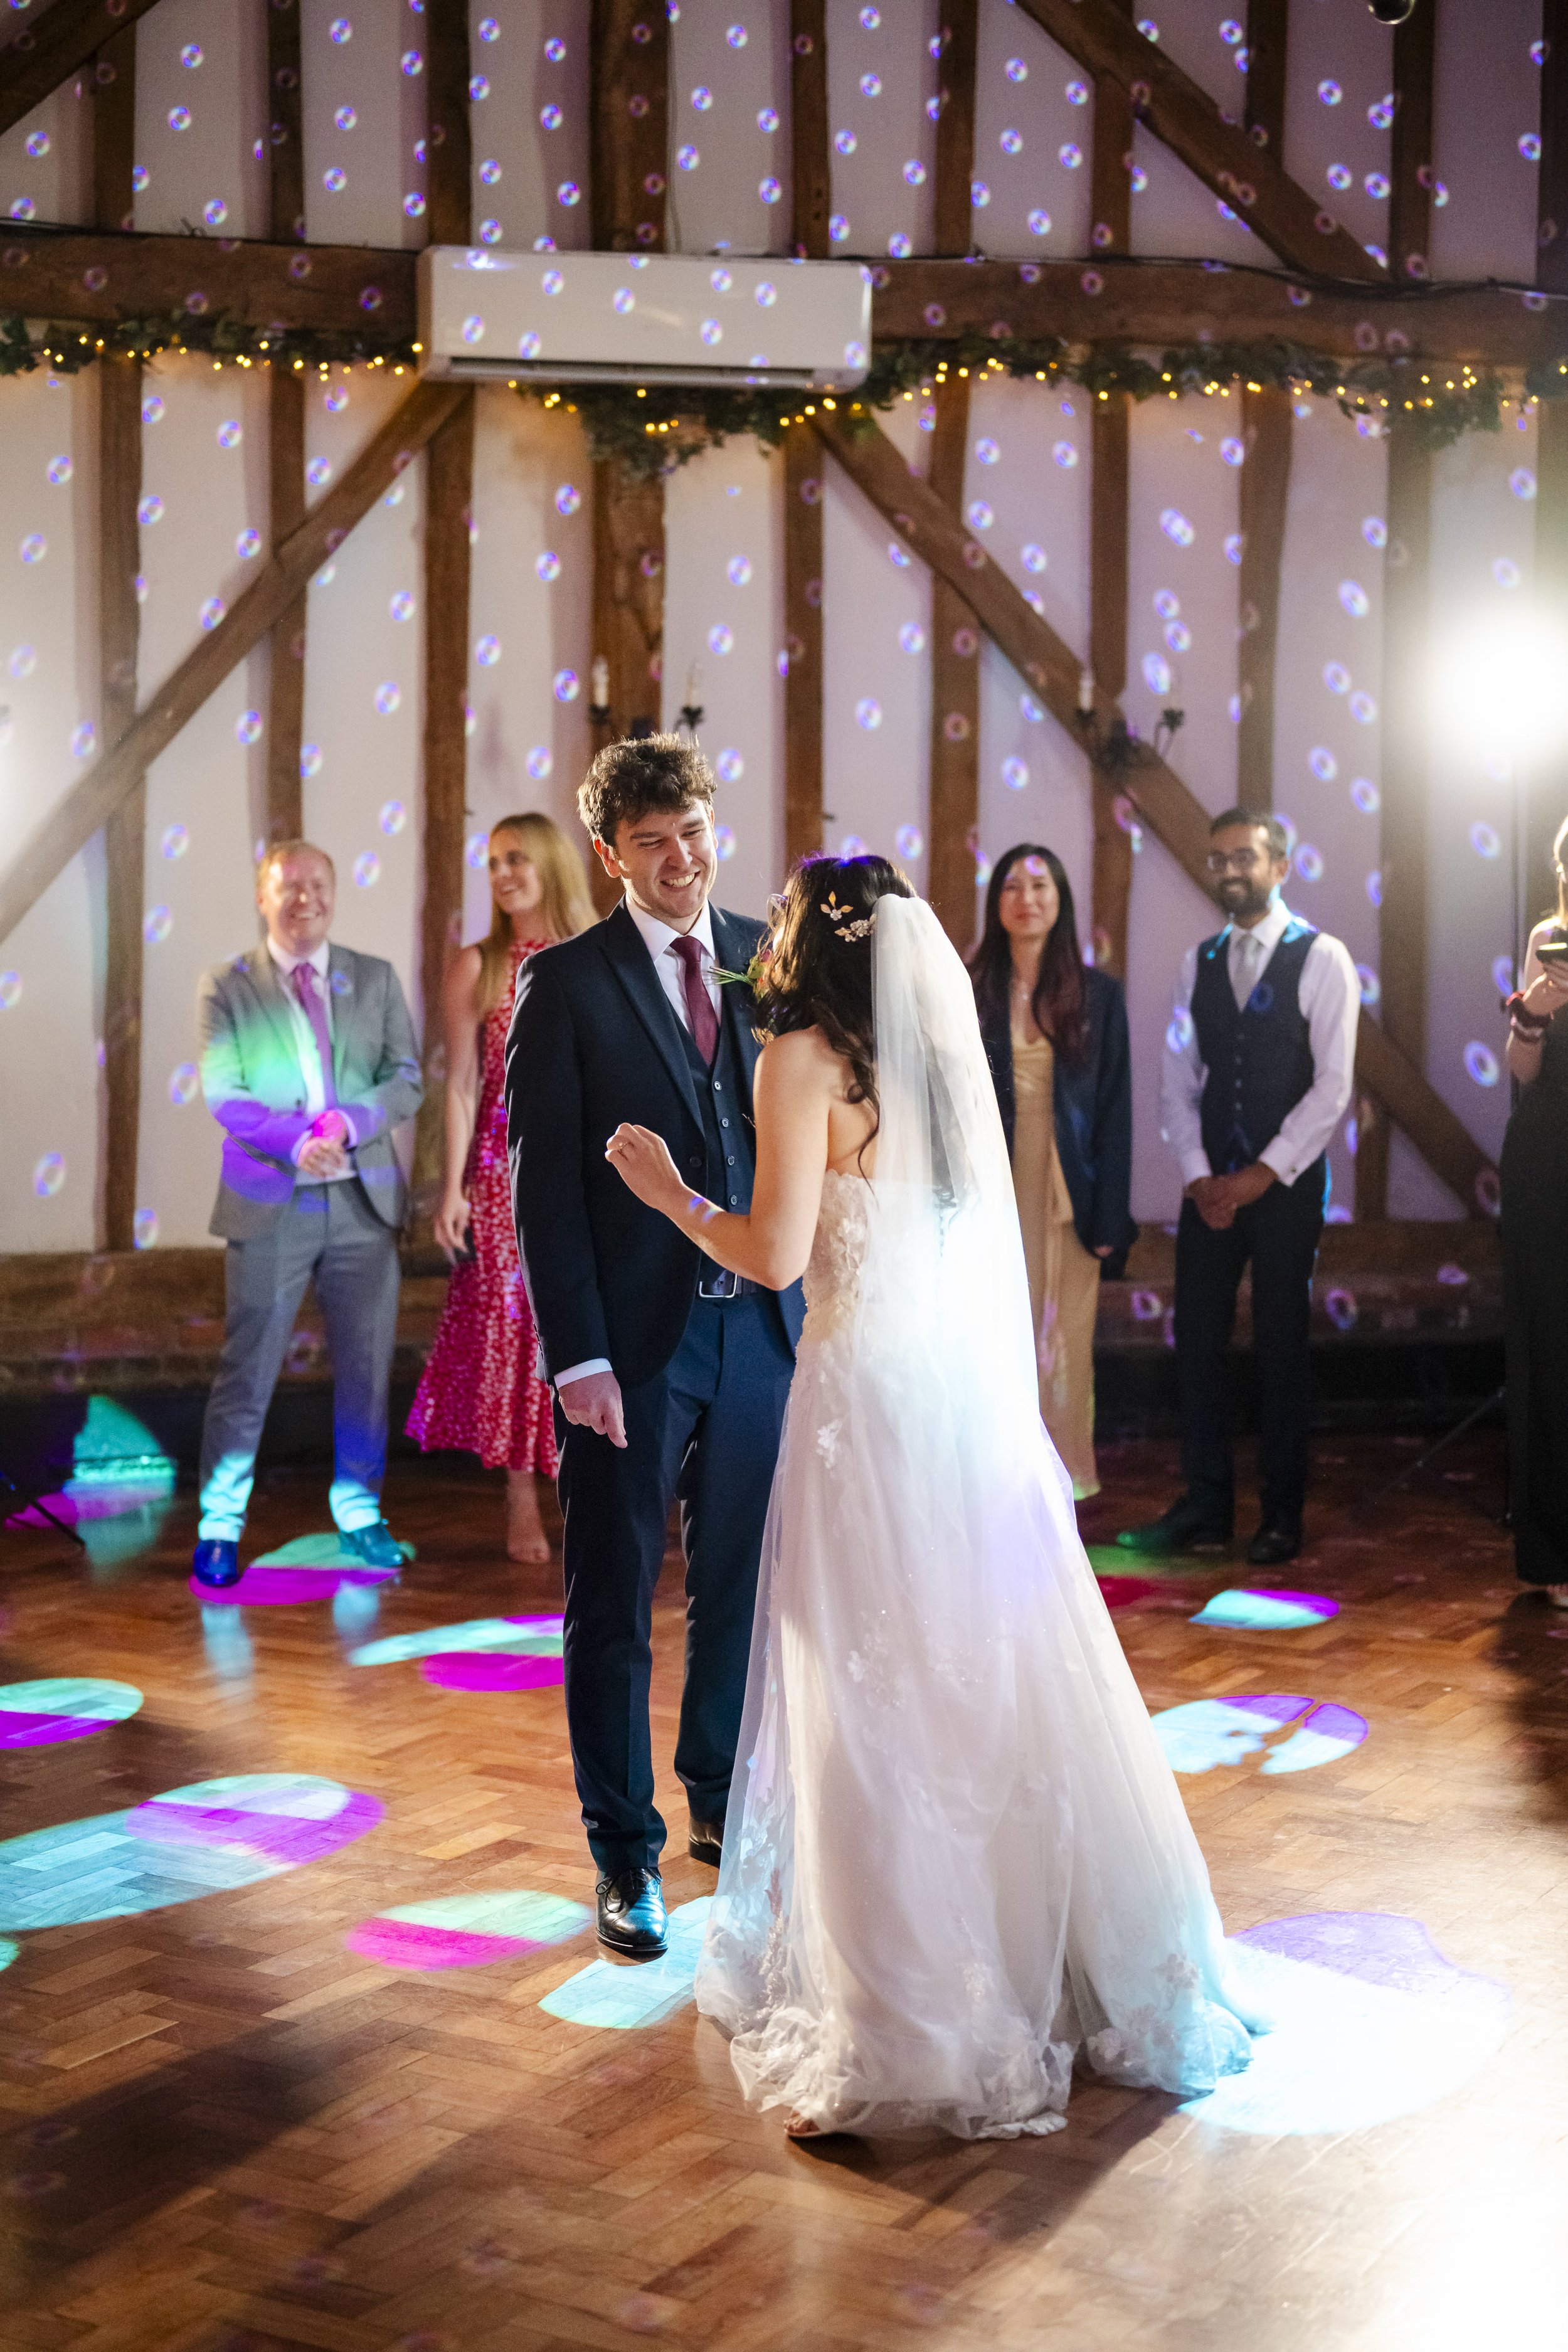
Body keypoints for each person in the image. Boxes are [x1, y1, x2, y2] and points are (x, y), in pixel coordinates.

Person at [605, 856, 1266, 2142]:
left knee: (860, 1695)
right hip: (959, 1407)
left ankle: (902, 2014)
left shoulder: (794, 1060)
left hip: (855, 1400)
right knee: (993, 1670)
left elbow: (773, 1255)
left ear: (810, 939)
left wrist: (667, 1193)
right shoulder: (931, 1066)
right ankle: (1065, 1965)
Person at [505, 735, 803, 1962]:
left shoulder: (762, 958)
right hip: (629, 1348)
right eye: (650, 843)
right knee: (614, 1605)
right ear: (608, 854)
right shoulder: (564, 984)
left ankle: (723, 1810)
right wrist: (573, 1356)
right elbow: (544, 1193)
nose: (679, 860)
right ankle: (621, 1857)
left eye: (692, 832)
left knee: (737, 1594)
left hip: (759, 1341)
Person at [1117, 808, 1359, 1569]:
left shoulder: (1323, 958)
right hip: (1210, 1187)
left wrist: (1260, 1174)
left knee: (1281, 1343)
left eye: (1245, 857)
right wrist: (1199, 1176)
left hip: (1284, 1189)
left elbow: (1333, 1087)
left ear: (1280, 866)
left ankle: (1281, 1512)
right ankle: (1206, 1504)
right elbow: (1177, 1081)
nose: (1229, 870)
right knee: (1197, 1345)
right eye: (1218, 859)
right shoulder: (1200, 962)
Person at [191, 840, 423, 1589]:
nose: (305, 899)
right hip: (270, 1202)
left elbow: (407, 1079)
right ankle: (220, 1526)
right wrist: (297, 1141)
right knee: (248, 1367)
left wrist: (348, 1126)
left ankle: (359, 1513)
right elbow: (224, 1092)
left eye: (318, 885)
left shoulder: (377, 977)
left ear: (334, 892)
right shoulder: (225, 984)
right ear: (264, 897)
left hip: (364, 1202)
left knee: (365, 1368)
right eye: (289, 887)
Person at [407, 813, 595, 1562]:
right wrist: (450, 1188)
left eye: (516, 858)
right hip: (499, 1170)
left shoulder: (596, 954)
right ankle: (521, 1495)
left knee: (584, 1326)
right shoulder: (479, 964)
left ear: (551, 862)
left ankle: (584, 1486)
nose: (503, 873)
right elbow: (459, 1084)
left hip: (586, 1168)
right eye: (491, 862)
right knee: (513, 1330)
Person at [969, 844, 1136, 1498]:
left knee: (1064, 1339)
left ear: (1060, 899)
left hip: (1072, 1187)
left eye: (1040, 885)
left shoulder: (1098, 994)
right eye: (1012, 886)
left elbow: (1114, 1108)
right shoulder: (971, 986)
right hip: (991, 1182)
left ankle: (1062, 1480)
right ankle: (994, 1482)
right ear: (996, 903)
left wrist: (1112, 1220)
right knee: (993, 1333)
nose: (1026, 898)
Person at [1502, 815, 1568, 1607]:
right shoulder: (1549, 936)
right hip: (1549, 1149)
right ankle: (1554, 1550)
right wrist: (1535, 1012)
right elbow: (1521, 1068)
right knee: (1550, 1340)